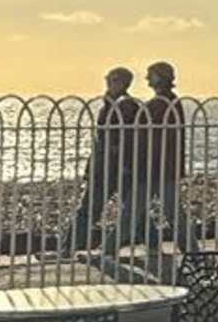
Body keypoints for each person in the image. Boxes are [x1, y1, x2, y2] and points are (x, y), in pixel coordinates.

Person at [70, 66, 138, 253]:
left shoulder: (125, 106)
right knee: (131, 209)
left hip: (113, 167)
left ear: (122, 83)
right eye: (108, 78)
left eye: (112, 79)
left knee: (89, 210)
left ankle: (69, 248)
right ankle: (153, 241)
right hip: (107, 166)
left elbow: (126, 139)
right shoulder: (110, 105)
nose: (108, 82)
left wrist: (123, 162)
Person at [132, 61, 189, 260]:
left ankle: (109, 250)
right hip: (162, 166)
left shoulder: (161, 103)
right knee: (167, 212)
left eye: (151, 74)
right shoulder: (169, 101)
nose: (147, 78)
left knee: (137, 210)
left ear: (160, 77)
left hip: (156, 167)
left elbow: (151, 137)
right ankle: (189, 250)